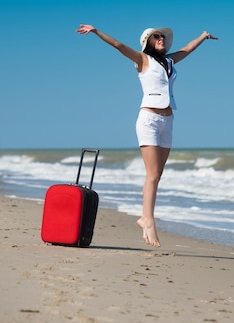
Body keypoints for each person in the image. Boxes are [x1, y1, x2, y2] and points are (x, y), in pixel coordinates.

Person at [76, 24, 218, 247]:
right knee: (151, 174)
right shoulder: (142, 59)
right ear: (149, 41)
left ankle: (145, 217)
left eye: (162, 36)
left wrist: (203, 36)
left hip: (168, 121)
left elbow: (187, 49)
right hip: (149, 120)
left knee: (158, 174)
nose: (161, 39)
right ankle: (147, 219)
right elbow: (118, 45)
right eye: (157, 36)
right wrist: (96, 31)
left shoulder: (169, 61)